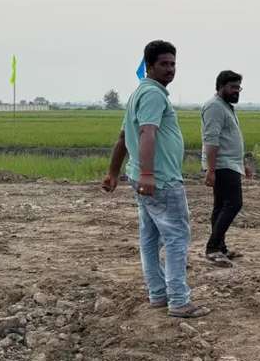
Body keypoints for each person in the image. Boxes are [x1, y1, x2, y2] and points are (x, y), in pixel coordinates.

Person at [102, 40, 210, 319]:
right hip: (160, 180)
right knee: (176, 238)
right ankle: (179, 301)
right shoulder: (153, 95)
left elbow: (122, 137)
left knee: (150, 237)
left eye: (173, 64)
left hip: (143, 177)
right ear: (149, 66)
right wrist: (148, 174)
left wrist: (113, 173)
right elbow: (146, 132)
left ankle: (158, 294)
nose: (170, 69)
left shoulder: (140, 93)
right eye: (164, 64)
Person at [202, 70, 251, 265]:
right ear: (221, 86)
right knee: (234, 203)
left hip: (230, 164)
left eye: (238, 88)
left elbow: (230, 139)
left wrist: (243, 164)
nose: (236, 91)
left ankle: (220, 247)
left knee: (221, 206)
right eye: (232, 87)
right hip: (222, 164)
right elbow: (211, 139)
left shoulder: (226, 107)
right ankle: (213, 248)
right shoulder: (214, 107)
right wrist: (211, 170)